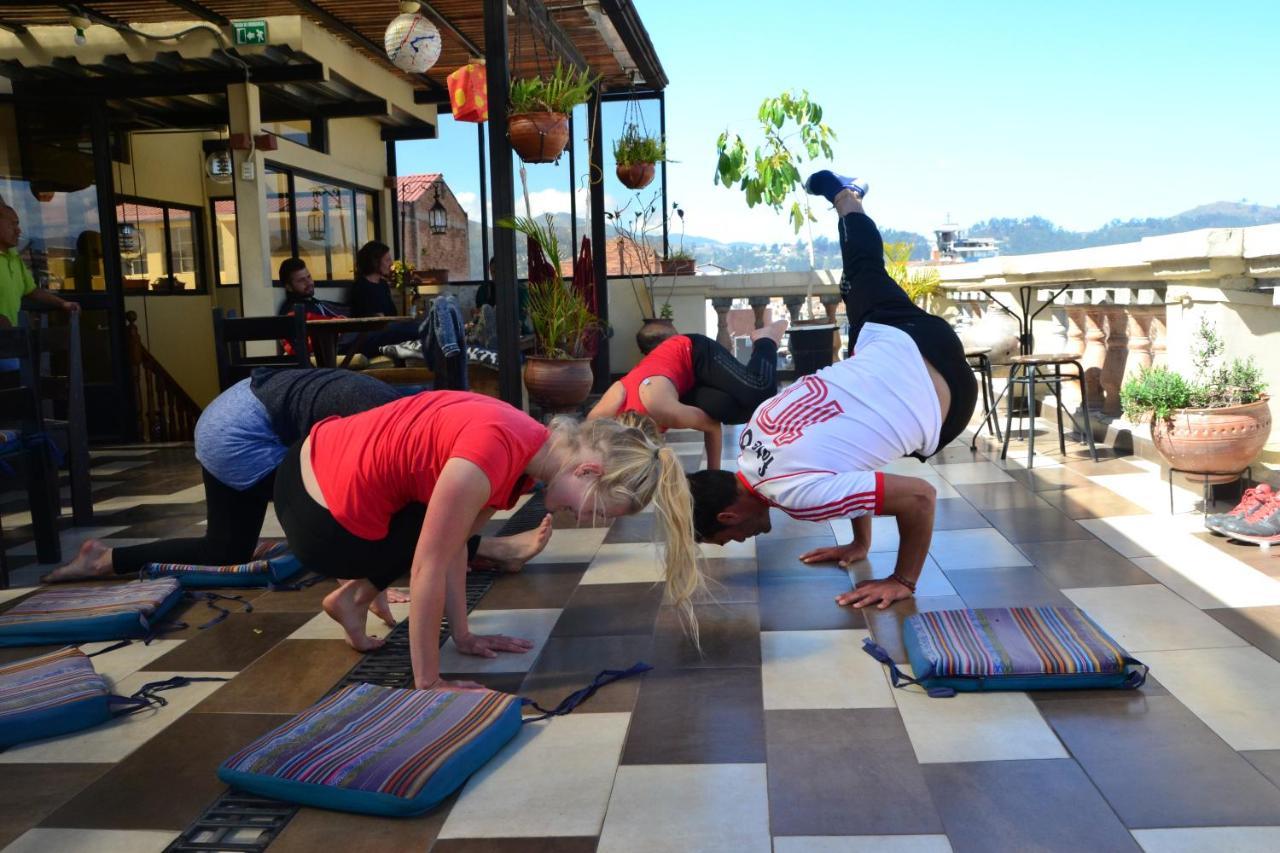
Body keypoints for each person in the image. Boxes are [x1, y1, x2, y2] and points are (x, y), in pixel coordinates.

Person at [687, 170, 978, 611]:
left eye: (724, 539)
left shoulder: (795, 497)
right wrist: (858, 543)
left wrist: (902, 579)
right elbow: (843, 463)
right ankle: (846, 197)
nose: (734, 543)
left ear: (728, 516)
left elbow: (920, 497)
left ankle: (848, 193)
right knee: (863, 268)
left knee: (861, 279)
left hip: (948, 398)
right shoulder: (753, 433)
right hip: (910, 335)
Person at [272, 392, 702, 690]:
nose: (587, 520)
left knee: (445, 528)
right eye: (597, 509)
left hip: (320, 474)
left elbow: (461, 544)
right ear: (588, 472)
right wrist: (430, 682)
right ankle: (357, 593)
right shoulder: (493, 452)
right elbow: (428, 567)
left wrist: (464, 635)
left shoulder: (529, 451)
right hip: (317, 510)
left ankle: (352, 599)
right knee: (433, 540)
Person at [43, 371, 554, 620]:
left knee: (227, 550)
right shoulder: (376, 415)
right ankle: (492, 550)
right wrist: (367, 574)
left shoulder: (405, 416)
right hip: (241, 431)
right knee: (397, 515)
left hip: (233, 414)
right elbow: (336, 495)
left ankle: (105, 557)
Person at [586, 322, 787, 470]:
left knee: (759, 391)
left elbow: (712, 427)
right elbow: (585, 432)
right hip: (680, 385)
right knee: (735, 411)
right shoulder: (606, 419)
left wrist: (713, 474)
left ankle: (765, 338)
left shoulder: (664, 410)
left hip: (693, 352)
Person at [0, 204, 80, 329]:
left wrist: (63, 304)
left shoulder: (14, 257)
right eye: (12, 224)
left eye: (18, 224)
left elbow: (31, 290)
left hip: (8, 339)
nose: (18, 230)